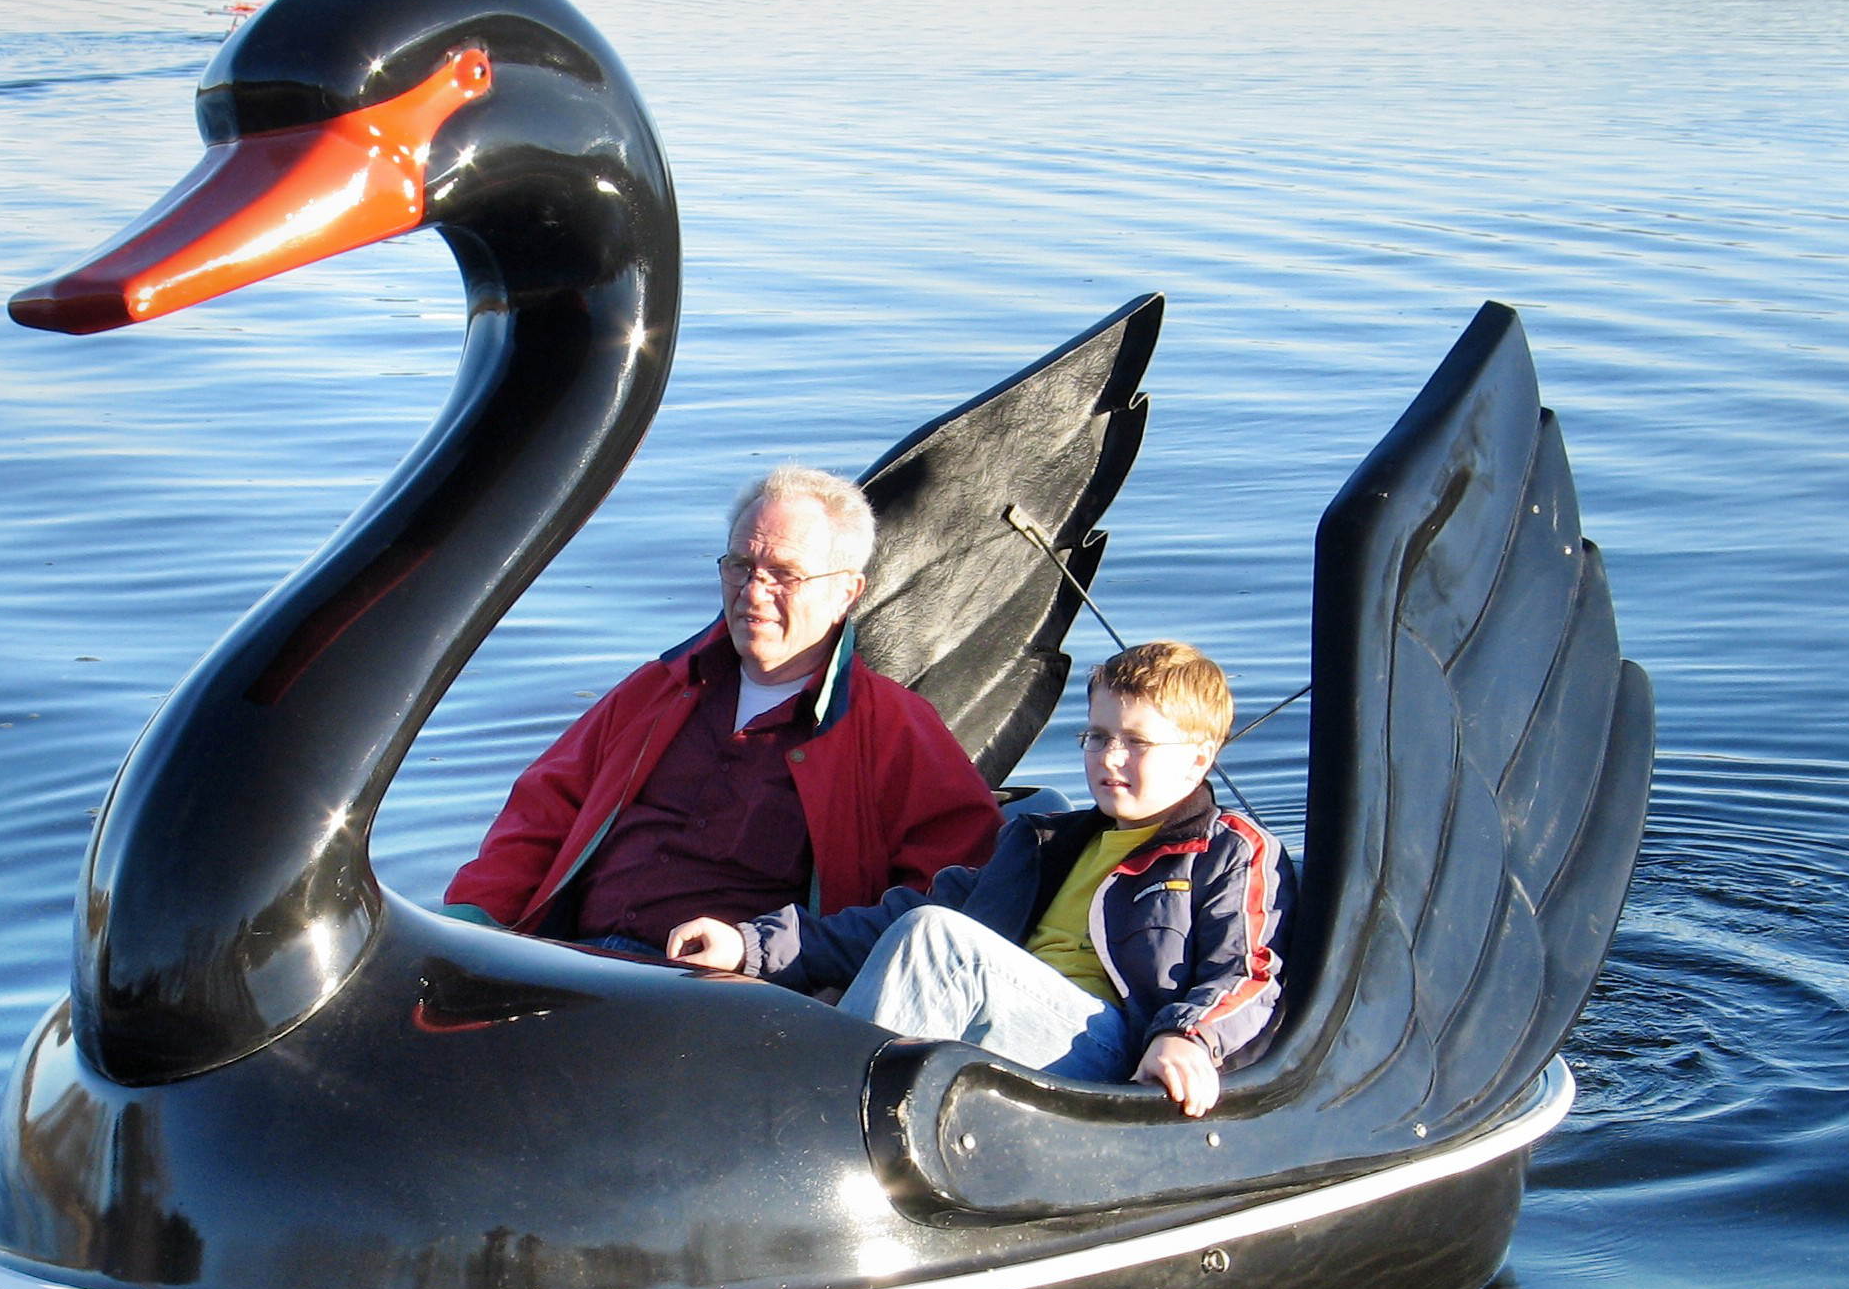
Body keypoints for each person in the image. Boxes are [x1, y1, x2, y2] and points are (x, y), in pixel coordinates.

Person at [667, 640, 1290, 1114]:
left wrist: (1187, 1037)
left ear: (1199, 757)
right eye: (1097, 736)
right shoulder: (1044, 844)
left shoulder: (1229, 851)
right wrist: (748, 944)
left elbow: (1249, 974)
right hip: (1004, 1024)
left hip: (1112, 1055)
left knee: (939, 941)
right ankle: (803, 1105)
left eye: (1137, 742)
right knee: (920, 933)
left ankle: (814, 1119)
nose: (1110, 758)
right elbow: (896, 923)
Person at [444, 468, 1003, 949]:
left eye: (783, 574)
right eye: (740, 565)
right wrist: (470, 927)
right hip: (574, 962)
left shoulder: (892, 725)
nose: (753, 592)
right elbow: (539, 814)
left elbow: (954, 888)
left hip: (732, 997)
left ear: (846, 593)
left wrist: (799, 956)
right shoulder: (656, 690)